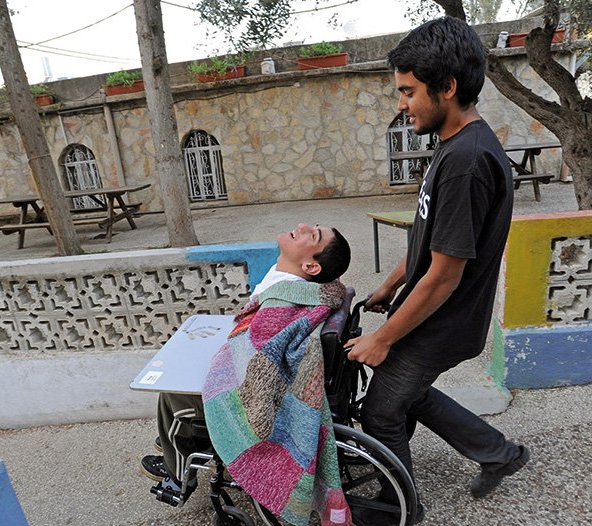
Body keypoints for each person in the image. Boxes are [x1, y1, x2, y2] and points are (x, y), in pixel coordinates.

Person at [345, 16, 530, 524]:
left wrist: (382, 340)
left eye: (408, 92)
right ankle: (499, 453)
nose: (400, 104)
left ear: (446, 87)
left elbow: (446, 275)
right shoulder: (454, 147)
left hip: (444, 320)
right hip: (436, 313)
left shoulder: (468, 160)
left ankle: (397, 509)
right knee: (410, 391)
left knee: (382, 408)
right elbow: (430, 238)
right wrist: (391, 283)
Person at [141, 223, 352, 525]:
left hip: (254, 392)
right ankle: (183, 441)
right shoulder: (295, 285)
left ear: (310, 266)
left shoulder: (283, 302)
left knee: (171, 395)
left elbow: (257, 370)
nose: (303, 227)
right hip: (250, 358)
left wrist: (225, 360)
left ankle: (178, 475)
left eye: (313, 235)